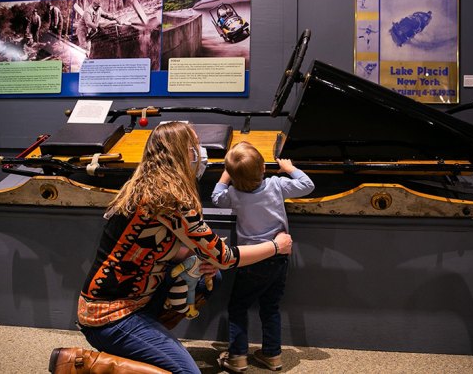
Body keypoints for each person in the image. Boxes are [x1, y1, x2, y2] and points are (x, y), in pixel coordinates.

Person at [48, 122, 294, 374]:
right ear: (180, 154)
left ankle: (146, 340)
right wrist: (276, 246)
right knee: (187, 373)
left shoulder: (145, 186)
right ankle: (87, 365)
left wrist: (200, 257)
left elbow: (155, 249)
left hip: (126, 301)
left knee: (207, 277)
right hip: (110, 316)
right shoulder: (171, 199)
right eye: (194, 146)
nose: (200, 151)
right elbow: (226, 257)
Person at [211, 141, 315, 372]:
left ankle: (238, 356)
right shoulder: (277, 185)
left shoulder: (233, 194)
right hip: (278, 258)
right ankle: (272, 355)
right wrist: (289, 169)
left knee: (238, 307)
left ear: (232, 175)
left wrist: (225, 177)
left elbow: (216, 197)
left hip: (250, 260)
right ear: (263, 169)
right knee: (271, 307)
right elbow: (307, 185)